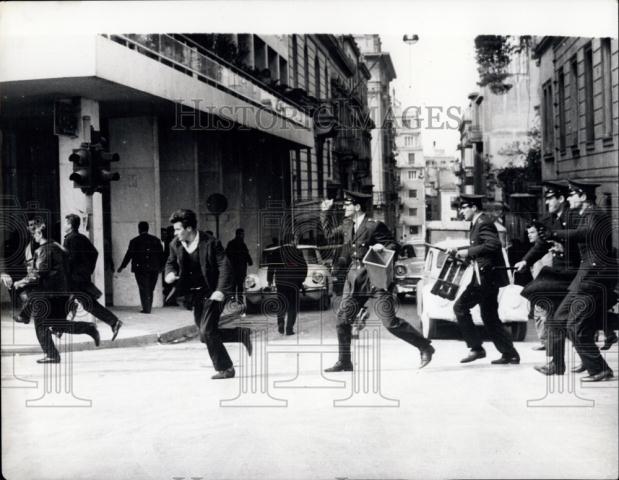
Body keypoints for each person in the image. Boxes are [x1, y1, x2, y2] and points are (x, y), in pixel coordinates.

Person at [320, 190, 434, 372]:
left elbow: (394, 245)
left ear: (357, 207)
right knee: (342, 321)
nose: (344, 207)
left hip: (375, 280)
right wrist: (325, 213)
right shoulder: (347, 225)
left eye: (347, 205)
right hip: (355, 281)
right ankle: (344, 361)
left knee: (390, 323)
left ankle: (425, 347)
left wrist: (383, 246)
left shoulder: (374, 226)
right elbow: (328, 235)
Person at [539, 180, 617, 381]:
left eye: (573, 195)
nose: (570, 198)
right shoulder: (585, 214)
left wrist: (554, 233)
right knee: (558, 319)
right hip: (584, 278)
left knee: (577, 325)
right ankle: (559, 365)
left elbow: (586, 234)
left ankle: (600, 369)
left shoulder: (595, 214)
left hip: (594, 278)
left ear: (582, 197)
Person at [164, 209, 252, 380]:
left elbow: (224, 267)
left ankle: (226, 368)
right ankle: (240, 334)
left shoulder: (210, 243)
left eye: (177, 229)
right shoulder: (175, 244)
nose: (175, 233)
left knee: (207, 331)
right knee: (204, 336)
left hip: (213, 293)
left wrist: (220, 291)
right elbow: (170, 262)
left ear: (189, 228)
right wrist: (169, 273)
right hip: (194, 295)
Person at [1, 223, 100, 363]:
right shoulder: (60, 248)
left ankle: (51, 353)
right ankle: (89, 328)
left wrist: (20, 282)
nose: (33, 237)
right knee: (57, 324)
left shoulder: (43, 250)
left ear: (40, 234)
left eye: (34, 233)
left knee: (41, 324)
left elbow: (38, 273)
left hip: (49, 294)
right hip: (63, 293)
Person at [449, 194, 520, 365]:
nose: (461, 211)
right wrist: (460, 251)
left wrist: (467, 252)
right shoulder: (478, 223)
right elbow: (481, 247)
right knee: (489, 316)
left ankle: (476, 348)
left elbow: (493, 244)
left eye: (464, 207)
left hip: (485, 277)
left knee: (460, 307)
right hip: (487, 276)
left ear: (474, 208)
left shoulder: (483, 222)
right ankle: (510, 354)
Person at [515, 181, 580, 358]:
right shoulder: (548, 220)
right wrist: (525, 261)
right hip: (558, 273)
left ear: (561, 199)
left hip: (575, 273)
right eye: (546, 199)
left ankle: (592, 362)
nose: (547, 202)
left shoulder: (574, 217)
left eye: (551, 198)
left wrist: (564, 248)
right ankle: (554, 361)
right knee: (552, 318)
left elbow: (583, 243)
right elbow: (541, 245)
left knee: (577, 322)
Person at [63, 214, 122, 340]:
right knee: (85, 303)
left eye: (66, 223)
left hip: (74, 279)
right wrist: (87, 270)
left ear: (70, 225)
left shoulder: (69, 239)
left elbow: (70, 259)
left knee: (70, 301)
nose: (64, 225)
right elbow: (94, 253)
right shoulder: (82, 238)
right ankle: (114, 322)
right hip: (81, 278)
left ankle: (59, 328)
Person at [117, 221, 164, 314]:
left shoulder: (134, 241)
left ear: (139, 229)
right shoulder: (156, 240)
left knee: (143, 288)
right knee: (150, 288)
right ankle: (148, 307)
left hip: (140, 269)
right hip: (154, 268)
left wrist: (122, 266)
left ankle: (146, 309)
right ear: (148, 228)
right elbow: (161, 255)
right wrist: (161, 267)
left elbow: (129, 255)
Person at [267, 237, 308, 335]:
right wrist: (301, 280)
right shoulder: (297, 251)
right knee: (293, 306)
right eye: (295, 240)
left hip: (280, 283)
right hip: (294, 283)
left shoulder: (276, 251)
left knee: (281, 304)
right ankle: (289, 329)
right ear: (292, 241)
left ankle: (281, 323)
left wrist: (269, 280)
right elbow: (304, 267)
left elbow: (271, 267)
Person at [225, 228, 253, 303]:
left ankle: (233, 298)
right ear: (239, 234)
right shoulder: (242, 244)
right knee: (239, 284)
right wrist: (250, 261)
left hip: (234, 268)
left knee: (233, 284)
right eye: (242, 234)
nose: (243, 236)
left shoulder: (231, 243)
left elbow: (227, 255)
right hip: (240, 268)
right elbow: (246, 254)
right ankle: (239, 300)